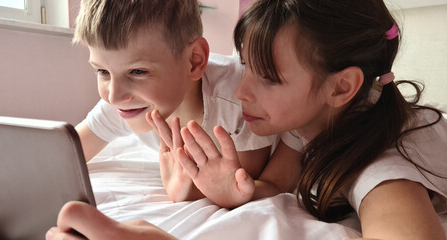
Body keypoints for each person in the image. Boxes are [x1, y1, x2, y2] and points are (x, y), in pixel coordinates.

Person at [47, 0, 447, 239]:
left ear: (342, 88)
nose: (240, 92)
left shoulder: (382, 161)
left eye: (268, 78)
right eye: (245, 68)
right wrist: (236, 193)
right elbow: (275, 183)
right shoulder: (307, 120)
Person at [0, 0, 296, 235]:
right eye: (101, 71)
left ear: (194, 61)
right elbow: (61, 153)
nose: (114, 95)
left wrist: (188, 195)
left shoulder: (237, 101)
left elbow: (247, 185)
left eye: (138, 71)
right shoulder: (123, 104)